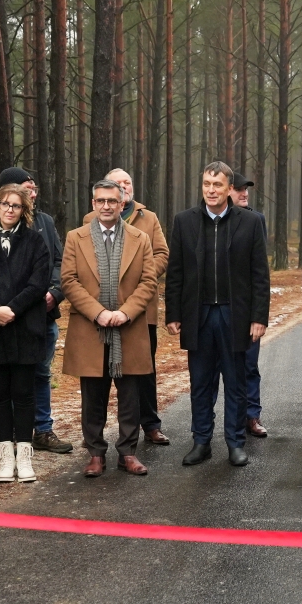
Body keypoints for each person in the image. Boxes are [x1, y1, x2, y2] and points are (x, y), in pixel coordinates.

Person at [165, 161, 269, 467]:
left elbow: (260, 275)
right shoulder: (184, 221)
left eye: (217, 185)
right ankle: (201, 441)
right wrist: (173, 312)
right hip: (198, 316)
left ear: (229, 189)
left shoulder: (249, 223)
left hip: (234, 315)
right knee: (200, 382)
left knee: (235, 382)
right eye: (207, 184)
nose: (211, 190)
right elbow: (176, 272)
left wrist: (259, 317)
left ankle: (235, 442)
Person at [64, 178, 159, 476]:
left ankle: (128, 453)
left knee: (130, 395)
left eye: (112, 201)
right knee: (93, 395)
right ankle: (95, 453)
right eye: (100, 201)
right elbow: (69, 281)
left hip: (129, 329)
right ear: (93, 204)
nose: (106, 206)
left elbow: (149, 281)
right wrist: (99, 313)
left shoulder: (139, 238)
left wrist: (126, 313)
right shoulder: (75, 238)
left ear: (121, 204)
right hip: (90, 330)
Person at [0, 183, 52, 484]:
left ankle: (25, 454)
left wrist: (13, 309)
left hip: (26, 327)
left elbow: (39, 282)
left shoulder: (34, 243)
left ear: (23, 210)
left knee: (25, 394)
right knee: (0, 396)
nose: (9, 210)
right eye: (4, 204)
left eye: (15, 206)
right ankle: (5, 454)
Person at [0, 166, 75, 455]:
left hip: (42, 316)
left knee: (41, 373)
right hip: (7, 318)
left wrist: (55, 292)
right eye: (25, 187)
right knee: (11, 375)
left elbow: (60, 262)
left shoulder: (45, 222)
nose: (32, 192)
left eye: (33, 188)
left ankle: (42, 430)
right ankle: (16, 434)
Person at [102, 167, 171, 445]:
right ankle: (96, 429)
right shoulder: (93, 217)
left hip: (143, 310)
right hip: (104, 309)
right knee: (101, 371)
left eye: (127, 182)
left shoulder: (148, 218)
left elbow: (162, 254)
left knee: (144, 368)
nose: (124, 186)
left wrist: (141, 277)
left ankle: (151, 424)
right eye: (118, 183)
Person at [227, 171, 271, 437]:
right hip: (218, 306)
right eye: (239, 189)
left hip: (247, 306)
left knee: (249, 365)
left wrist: (259, 313)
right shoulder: (210, 220)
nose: (244, 193)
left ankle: (252, 415)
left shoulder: (256, 220)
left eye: (247, 190)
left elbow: (260, 270)